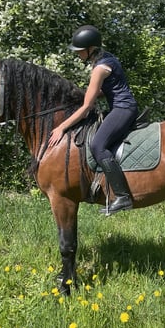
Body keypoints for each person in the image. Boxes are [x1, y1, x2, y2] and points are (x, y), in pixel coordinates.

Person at [48, 25, 138, 215]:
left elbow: (87, 107)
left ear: (90, 49)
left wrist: (61, 128)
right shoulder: (109, 59)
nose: (78, 54)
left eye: (80, 51)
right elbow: (105, 92)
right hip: (122, 107)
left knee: (98, 145)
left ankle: (122, 197)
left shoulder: (99, 68)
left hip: (123, 109)